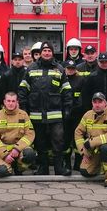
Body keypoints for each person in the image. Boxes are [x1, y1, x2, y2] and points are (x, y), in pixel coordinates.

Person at [18, 41, 72, 175]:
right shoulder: (31, 68)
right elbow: (23, 89)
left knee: (58, 141)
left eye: (49, 51)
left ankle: (59, 168)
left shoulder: (59, 69)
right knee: (40, 142)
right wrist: (24, 108)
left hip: (55, 114)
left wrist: (67, 109)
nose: (47, 53)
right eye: (44, 51)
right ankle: (43, 168)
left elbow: (66, 91)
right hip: (36, 113)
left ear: (52, 53)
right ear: (40, 53)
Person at [75, 92, 107, 187]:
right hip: (93, 149)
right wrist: (83, 152)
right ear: (92, 103)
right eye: (95, 102)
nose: (97, 104)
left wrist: (91, 142)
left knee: (105, 149)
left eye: (100, 102)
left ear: (105, 103)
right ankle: (100, 164)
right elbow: (78, 133)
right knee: (85, 172)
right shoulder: (88, 115)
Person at [0, 92, 36, 177]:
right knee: (1, 172)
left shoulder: (23, 115)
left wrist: (17, 148)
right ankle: (9, 167)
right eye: (8, 101)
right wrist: (5, 155)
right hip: (3, 152)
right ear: (4, 102)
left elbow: (30, 134)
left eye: (13, 101)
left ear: (17, 102)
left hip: (19, 150)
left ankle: (19, 168)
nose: (10, 103)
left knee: (29, 154)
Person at [62, 60, 86, 173]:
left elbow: (82, 96)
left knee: (78, 139)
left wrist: (78, 109)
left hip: (78, 115)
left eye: (72, 68)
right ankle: (67, 163)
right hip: (65, 115)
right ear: (65, 69)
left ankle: (78, 163)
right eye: (68, 68)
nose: (70, 70)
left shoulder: (81, 80)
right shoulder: (62, 79)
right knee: (66, 140)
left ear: (75, 69)